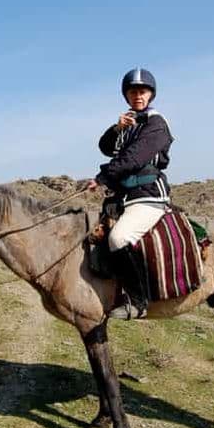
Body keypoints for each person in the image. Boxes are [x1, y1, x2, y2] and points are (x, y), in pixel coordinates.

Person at [87, 68, 174, 319]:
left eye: (142, 91)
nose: (138, 95)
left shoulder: (156, 124)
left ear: (150, 94)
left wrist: (102, 177)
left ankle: (139, 301)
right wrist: (116, 128)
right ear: (127, 96)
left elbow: (133, 158)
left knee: (118, 238)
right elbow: (105, 147)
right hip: (123, 197)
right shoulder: (129, 123)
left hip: (147, 196)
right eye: (133, 91)